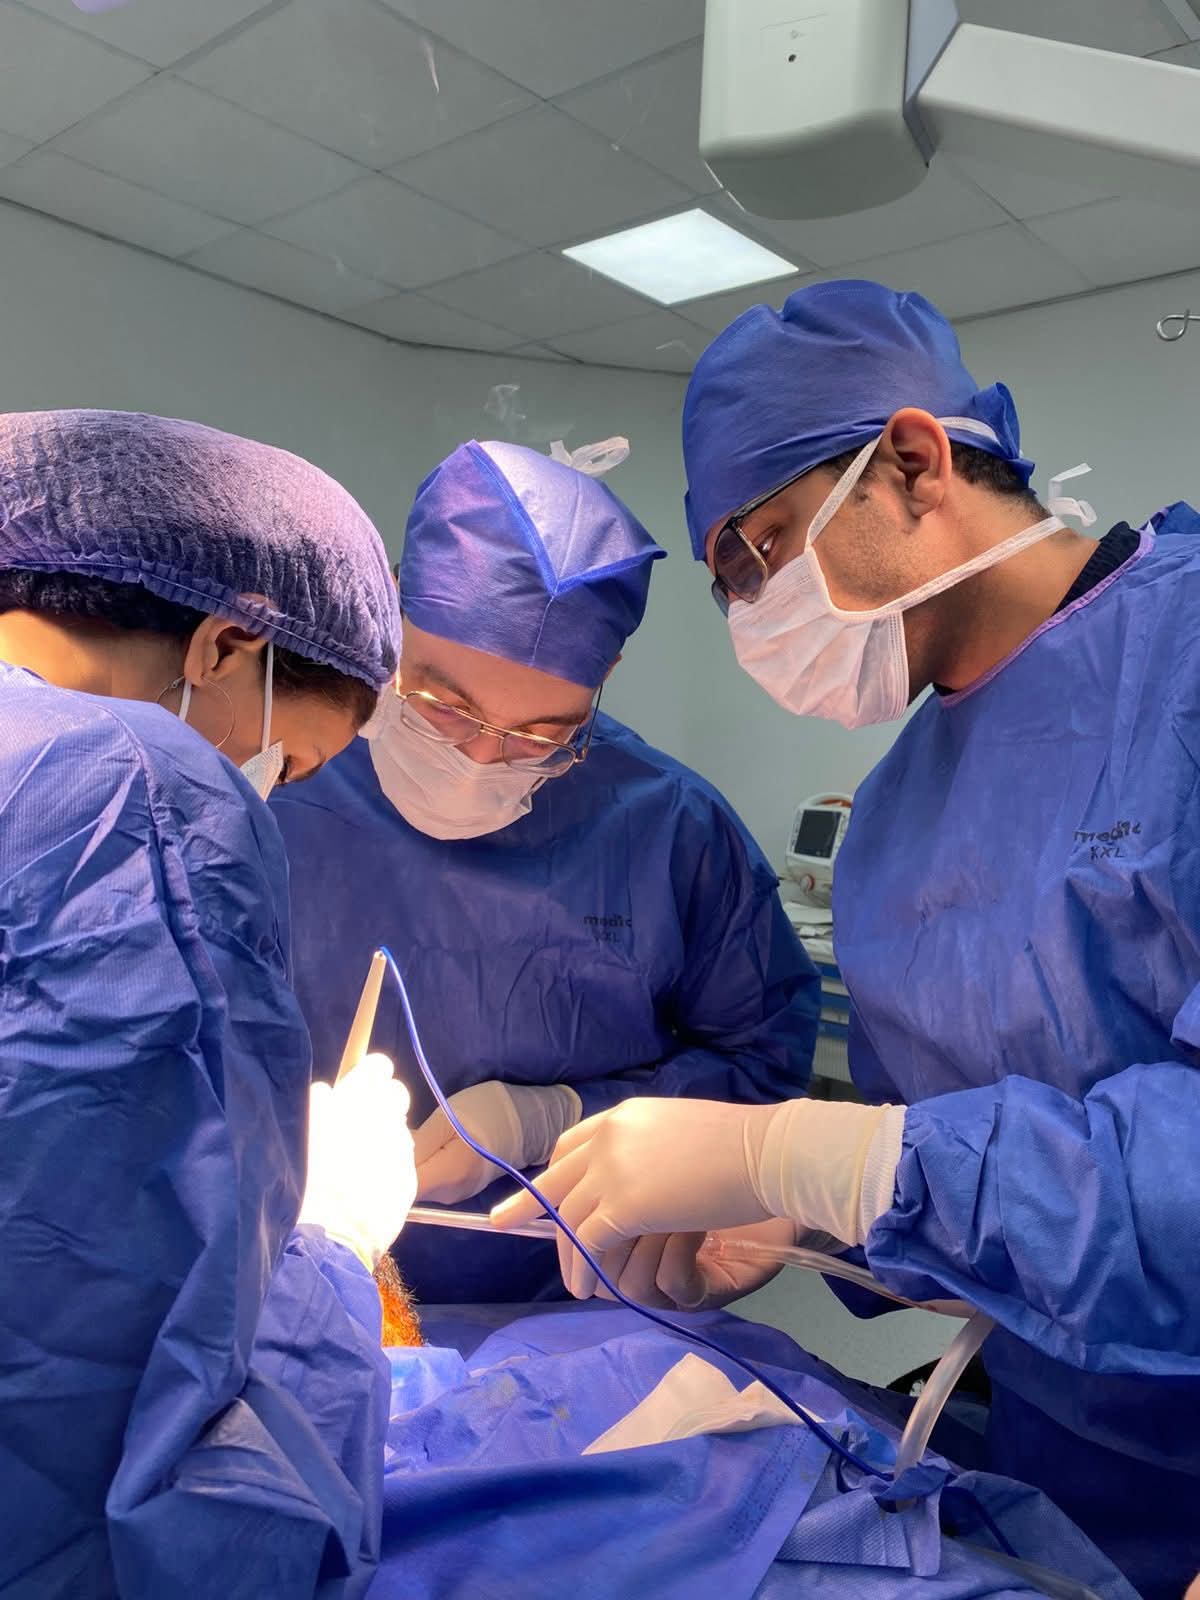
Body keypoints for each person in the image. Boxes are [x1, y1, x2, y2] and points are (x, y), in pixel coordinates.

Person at [496, 282, 1200, 1599]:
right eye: (727, 584)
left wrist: (818, 1155)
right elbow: (947, 1194)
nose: (754, 615)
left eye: (764, 549)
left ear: (917, 463)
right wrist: (796, 1217)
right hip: (1059, 1483)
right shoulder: (885, 829)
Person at [0, 410, 415, 1600]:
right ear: (228, 645)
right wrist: (331, 1244)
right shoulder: (133, 791)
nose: (263, 791)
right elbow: (147, 1476)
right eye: (288, 762)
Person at [272, 439, 819, 1304]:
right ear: (391, 612)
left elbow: (762, 1075)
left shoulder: (669, 826)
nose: (481, 760)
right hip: (283, 1282)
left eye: (541, 735)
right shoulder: (280, 772)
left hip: (568, 1300)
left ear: (604, 679)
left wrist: (554, 1114)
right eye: (443, 705)